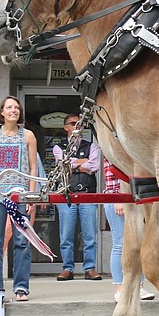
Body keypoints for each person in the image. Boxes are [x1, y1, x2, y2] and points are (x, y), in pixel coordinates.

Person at [0, 96, 39, 303]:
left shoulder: (28, 136)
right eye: (9, 107)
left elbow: (33, 167)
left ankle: (21, 287)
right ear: (2, 112)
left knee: (22, 242)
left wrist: (31, 195)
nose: (13, 110)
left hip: (20, 196)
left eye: (17, 107)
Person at [53, 115, 102, 281]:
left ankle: (90, 268)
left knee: (90, 236)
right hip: (67, 196)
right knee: (66, 235)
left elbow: (95, 166)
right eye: (74, 123)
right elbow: (63, 164)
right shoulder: (58, 147)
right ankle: (67, 268)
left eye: (80, 124)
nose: (77, 126)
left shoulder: (92, 146)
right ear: (66, 127)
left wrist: (74, 164)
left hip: (87, 194)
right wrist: (83, 163)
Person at [102, 158, 157, 303]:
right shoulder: (112, 146)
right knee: (120, 244)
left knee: (139, 243)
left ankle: (139, 286)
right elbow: (111, 174)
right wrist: (117, 198)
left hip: (135, 198)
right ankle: (119, 288)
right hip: (117, 198)